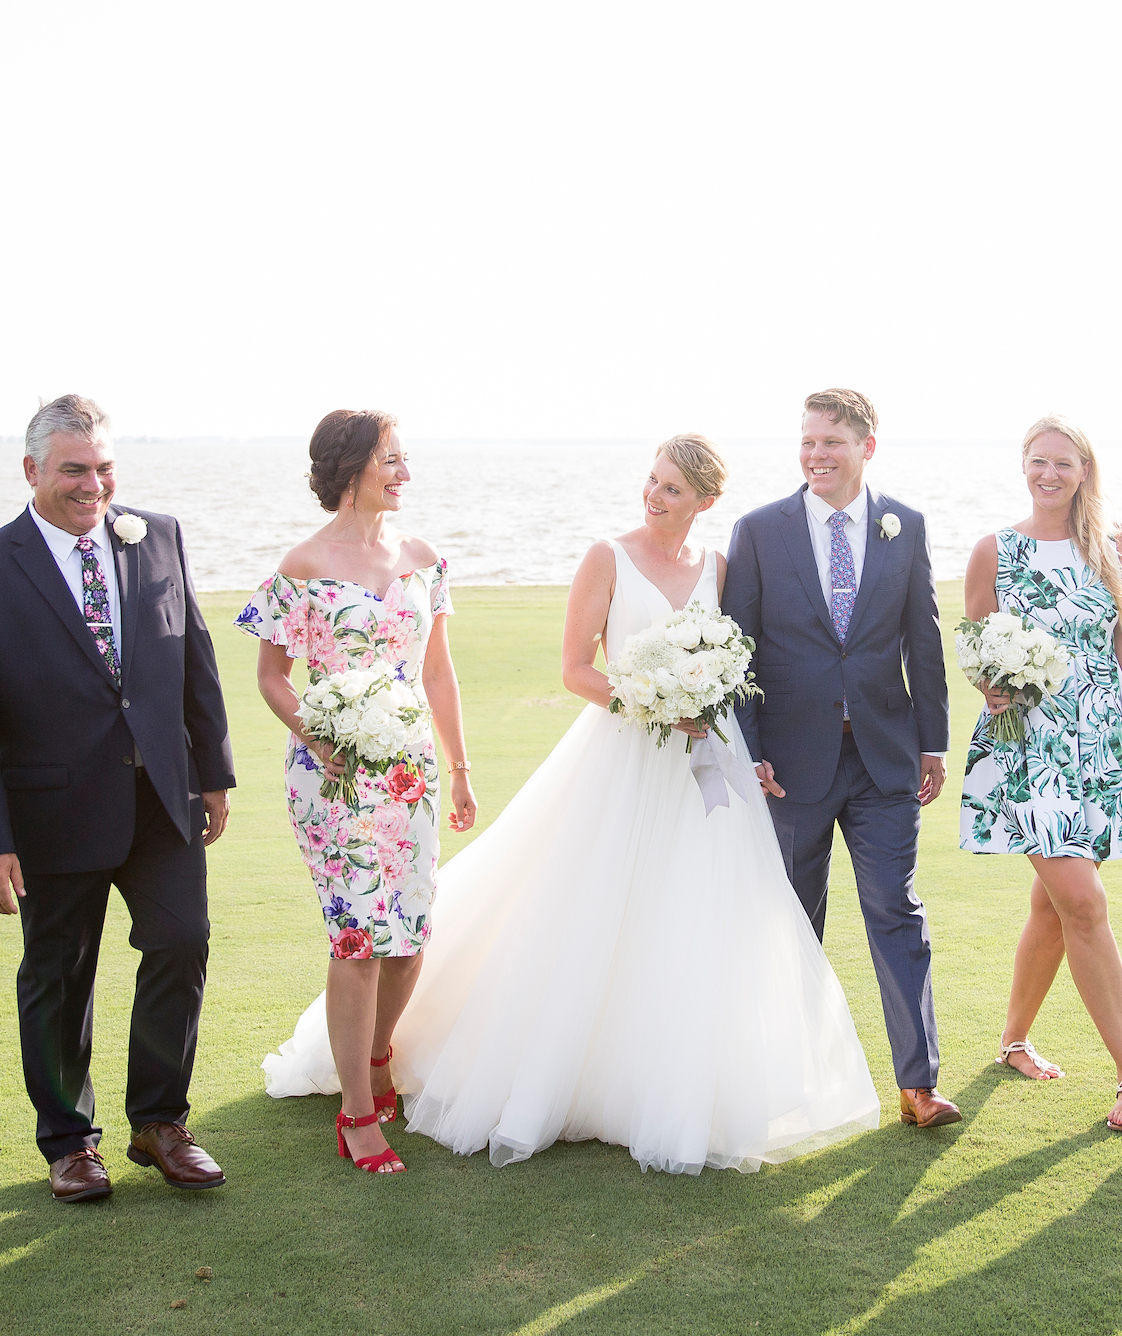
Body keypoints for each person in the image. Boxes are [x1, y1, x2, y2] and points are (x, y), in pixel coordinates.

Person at [368, 435, 878, 1173]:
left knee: (700, 913)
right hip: (627, 754)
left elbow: (737, 660)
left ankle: (681, 1085)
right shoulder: (606, 557)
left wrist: (715, 712)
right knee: (595, 903)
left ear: (704, 501)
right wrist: (652, 700)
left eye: (672, 488)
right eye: (652, 480)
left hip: (706, 760)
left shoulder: (720, 568)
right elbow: (576, 669)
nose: (654, 495)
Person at [0, 394, 236, 1203]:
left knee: (182, 942)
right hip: (50, 813)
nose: (92, 485)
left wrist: (212, 771)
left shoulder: (158, 535)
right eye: (74, 470)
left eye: (104, 467)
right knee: (60, 974)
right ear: (32, 471)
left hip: (160, 802)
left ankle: (160, 1122)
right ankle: (70, 1142)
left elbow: (192, 654)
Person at [238, 409, 479, 1176]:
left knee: (409, 937)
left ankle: (376, 1056)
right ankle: (354, 1113)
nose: (405, 473)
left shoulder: (423, 557)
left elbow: (437, 672)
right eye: (392, 461)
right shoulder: (302, 567)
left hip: (408, 772)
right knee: (358, 939)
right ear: (348, 469)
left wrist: (461, 769)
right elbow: (272, 677)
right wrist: (316, 733)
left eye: (406, 460)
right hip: (332, 774)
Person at [724, 389, 958, 1129]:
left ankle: (918, 1085)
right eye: (807, 442)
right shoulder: (761, 531)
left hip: (885, 761)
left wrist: (932, 742)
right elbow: (739, 653)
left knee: (897, 909)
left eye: (832, 442)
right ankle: (787, 1079)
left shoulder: (905, 526)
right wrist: (752, 753)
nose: (817, 455)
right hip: (791, 766)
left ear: (867, 447)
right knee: (794, 918)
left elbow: (923, 639)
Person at [959, 416, 1122, 1132]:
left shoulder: (1118, 546)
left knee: (1053, 903)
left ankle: (1013, 1040)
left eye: (1064, 463)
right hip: (1029, 749)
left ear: (1085, 470)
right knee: (1083, 902)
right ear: (1024, 465)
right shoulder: (996, 550)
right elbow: (977, 651)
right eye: (1038, 461)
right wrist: (990, 685)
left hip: (1104, 744)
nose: (1050, 474)